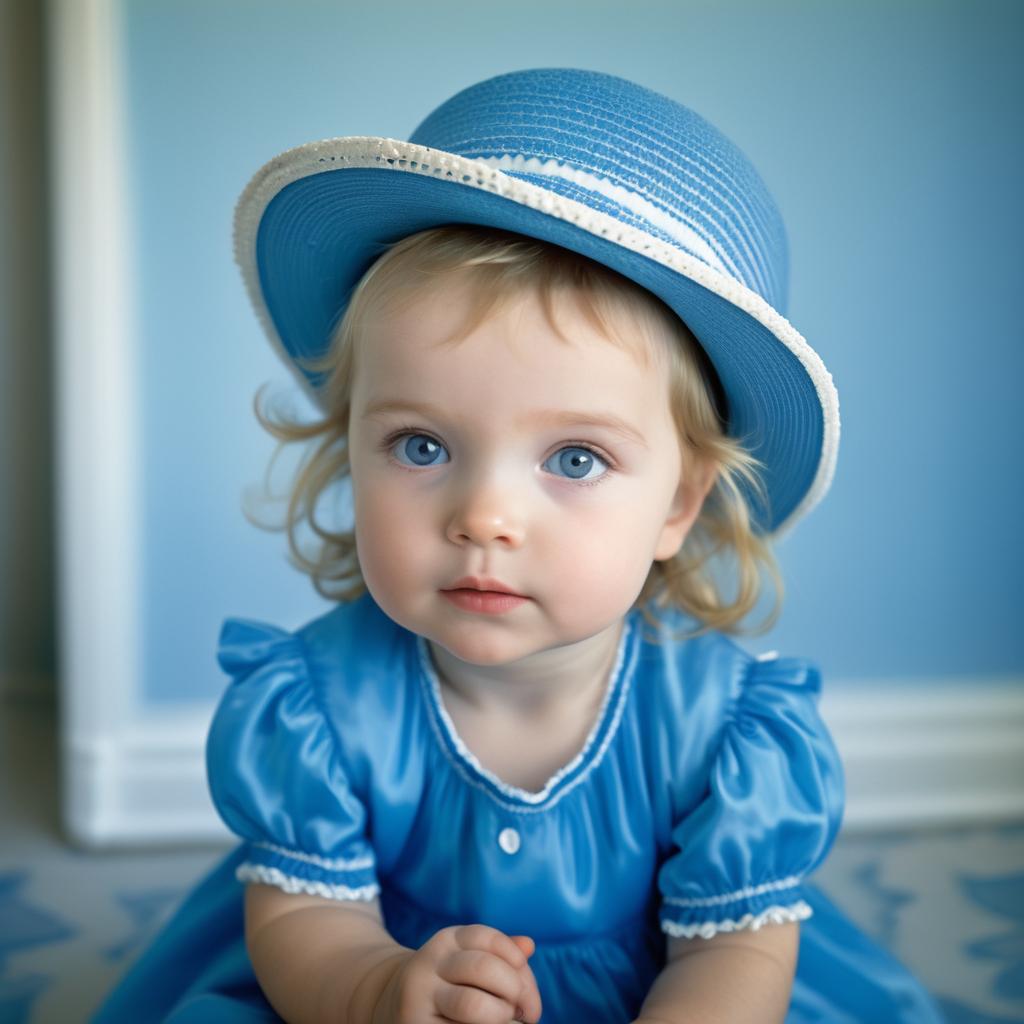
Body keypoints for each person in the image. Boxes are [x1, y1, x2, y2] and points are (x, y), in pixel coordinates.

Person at [92, 68, 944, 1023]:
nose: (484, 517)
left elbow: (736, 953)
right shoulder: (317, 708)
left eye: (575, 458)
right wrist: (373, 987)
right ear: (348, 450)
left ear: (677, 505)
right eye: (422, 446)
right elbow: (302, 923)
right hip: (369, 964)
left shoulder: (724, 729)